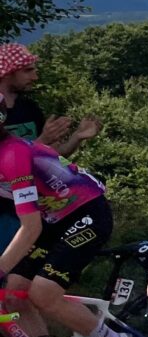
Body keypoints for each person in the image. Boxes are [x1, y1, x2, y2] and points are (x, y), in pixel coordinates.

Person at [0, 95, 127, 337]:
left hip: (86, 210)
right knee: (14, 293)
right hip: (52, 218)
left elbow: (28, 227)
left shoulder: (12, 155)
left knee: (42, 292)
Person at [0, 42, 103, 252]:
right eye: (28, 70)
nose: (35, 77)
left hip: (33, 208)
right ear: (7, 72)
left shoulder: (30, 109)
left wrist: (76, 138)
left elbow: (52, 157)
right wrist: (41, 140)